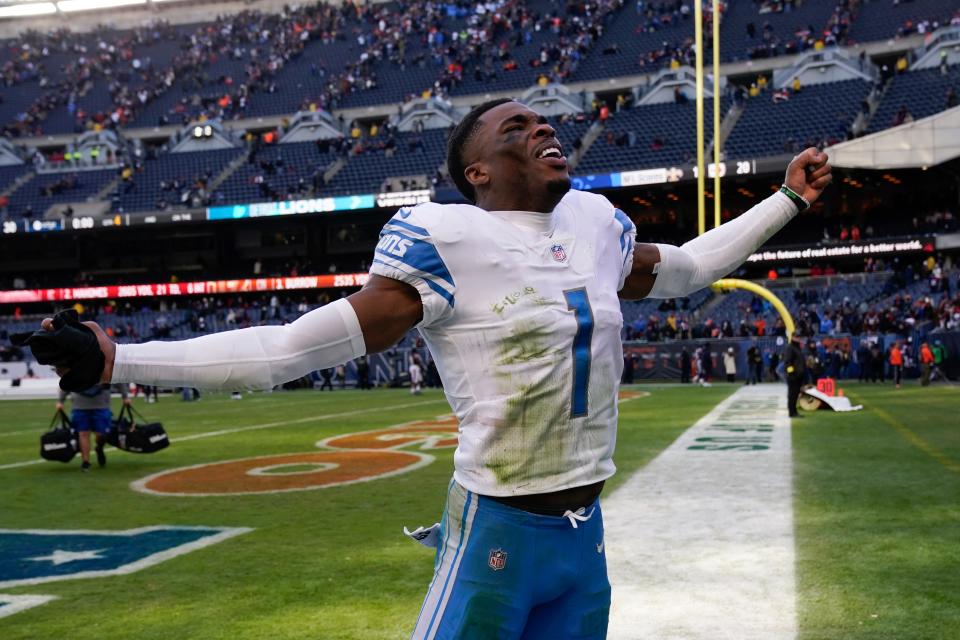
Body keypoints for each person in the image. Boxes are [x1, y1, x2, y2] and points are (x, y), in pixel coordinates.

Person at [31, 99, 831, 639]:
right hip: (499, 530)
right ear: (476, 171)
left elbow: (688, 269)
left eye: (546, 123)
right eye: (516, 129)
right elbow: (290, 350)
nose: (543, 130)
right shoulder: (444, 239)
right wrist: (120, 355)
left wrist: (786, 201)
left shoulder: (594, 225)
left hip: (585, 535)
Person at [56, 383, 129, 471]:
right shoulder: (76, 369)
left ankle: (99, 448)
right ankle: (85, 462)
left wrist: (125, 396)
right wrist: (60, 401)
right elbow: (67, 381)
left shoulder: (105, 368)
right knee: (83, 433)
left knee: (101, 435)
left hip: (101, 405)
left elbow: (117, 380)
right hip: (80, 406)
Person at [783, 334, 806, 418]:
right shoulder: (790, 348)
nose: (798, 338)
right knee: (792, 395)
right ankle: (792, 412)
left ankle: (794, 411)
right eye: (796, 336)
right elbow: (788, 363)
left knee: (795, 394)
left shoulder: (797, 348)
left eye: (799, 337)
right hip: (793, 376)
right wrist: (791, 374)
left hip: (798, 376)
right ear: (792, 337)